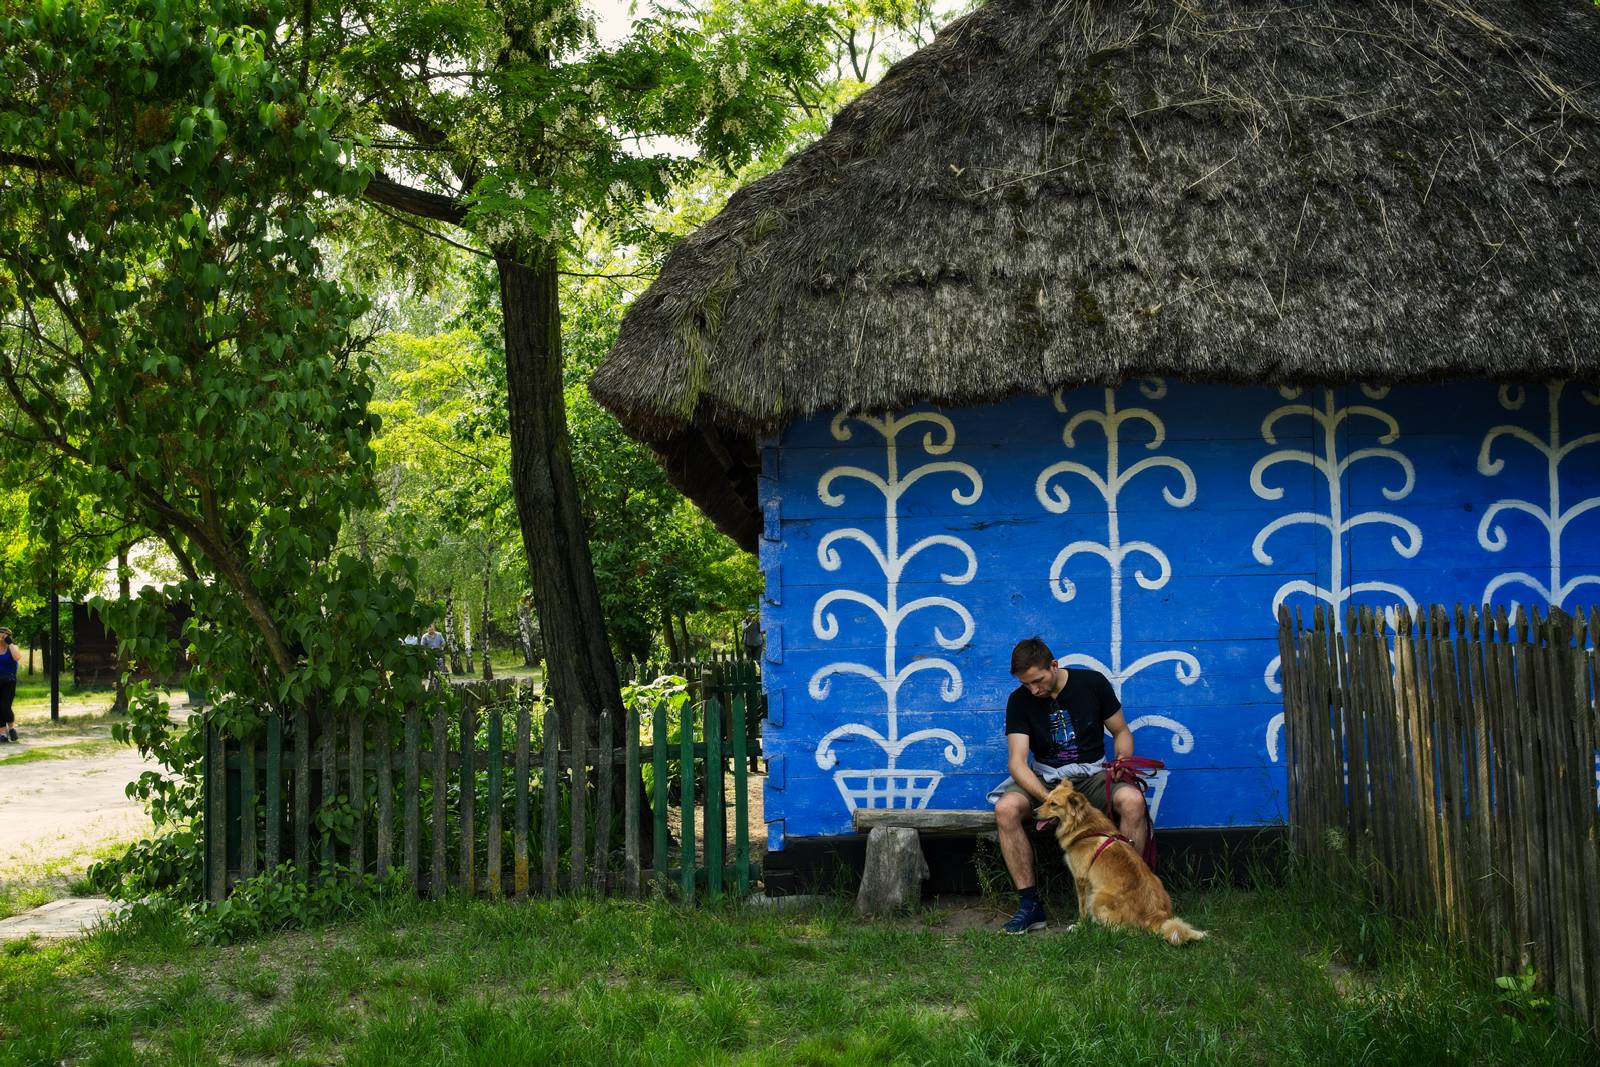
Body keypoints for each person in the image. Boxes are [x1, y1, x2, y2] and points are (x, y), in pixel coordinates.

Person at [987, 636, 1150, 934]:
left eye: (1037, 681)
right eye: (1026, 684)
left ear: (1053, 665)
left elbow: (1121, 731)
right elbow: (1017, 763)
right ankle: (1030, 906)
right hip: (1046, 779)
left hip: (1093, 774)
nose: (1033, 689)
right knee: (1006, 809)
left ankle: (1131, 897)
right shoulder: (1019, 701)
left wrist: (1122, 762)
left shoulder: (1092, 683)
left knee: (1133, 801)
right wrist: (1048, 798)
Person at [0, 627, 21, 744]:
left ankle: (12, 729)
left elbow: (17, 657)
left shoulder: (12, 648)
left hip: (9, 680)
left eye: (4, 635)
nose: (1, 637)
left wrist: (9, 642)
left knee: (5, 706)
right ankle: (2, 734)